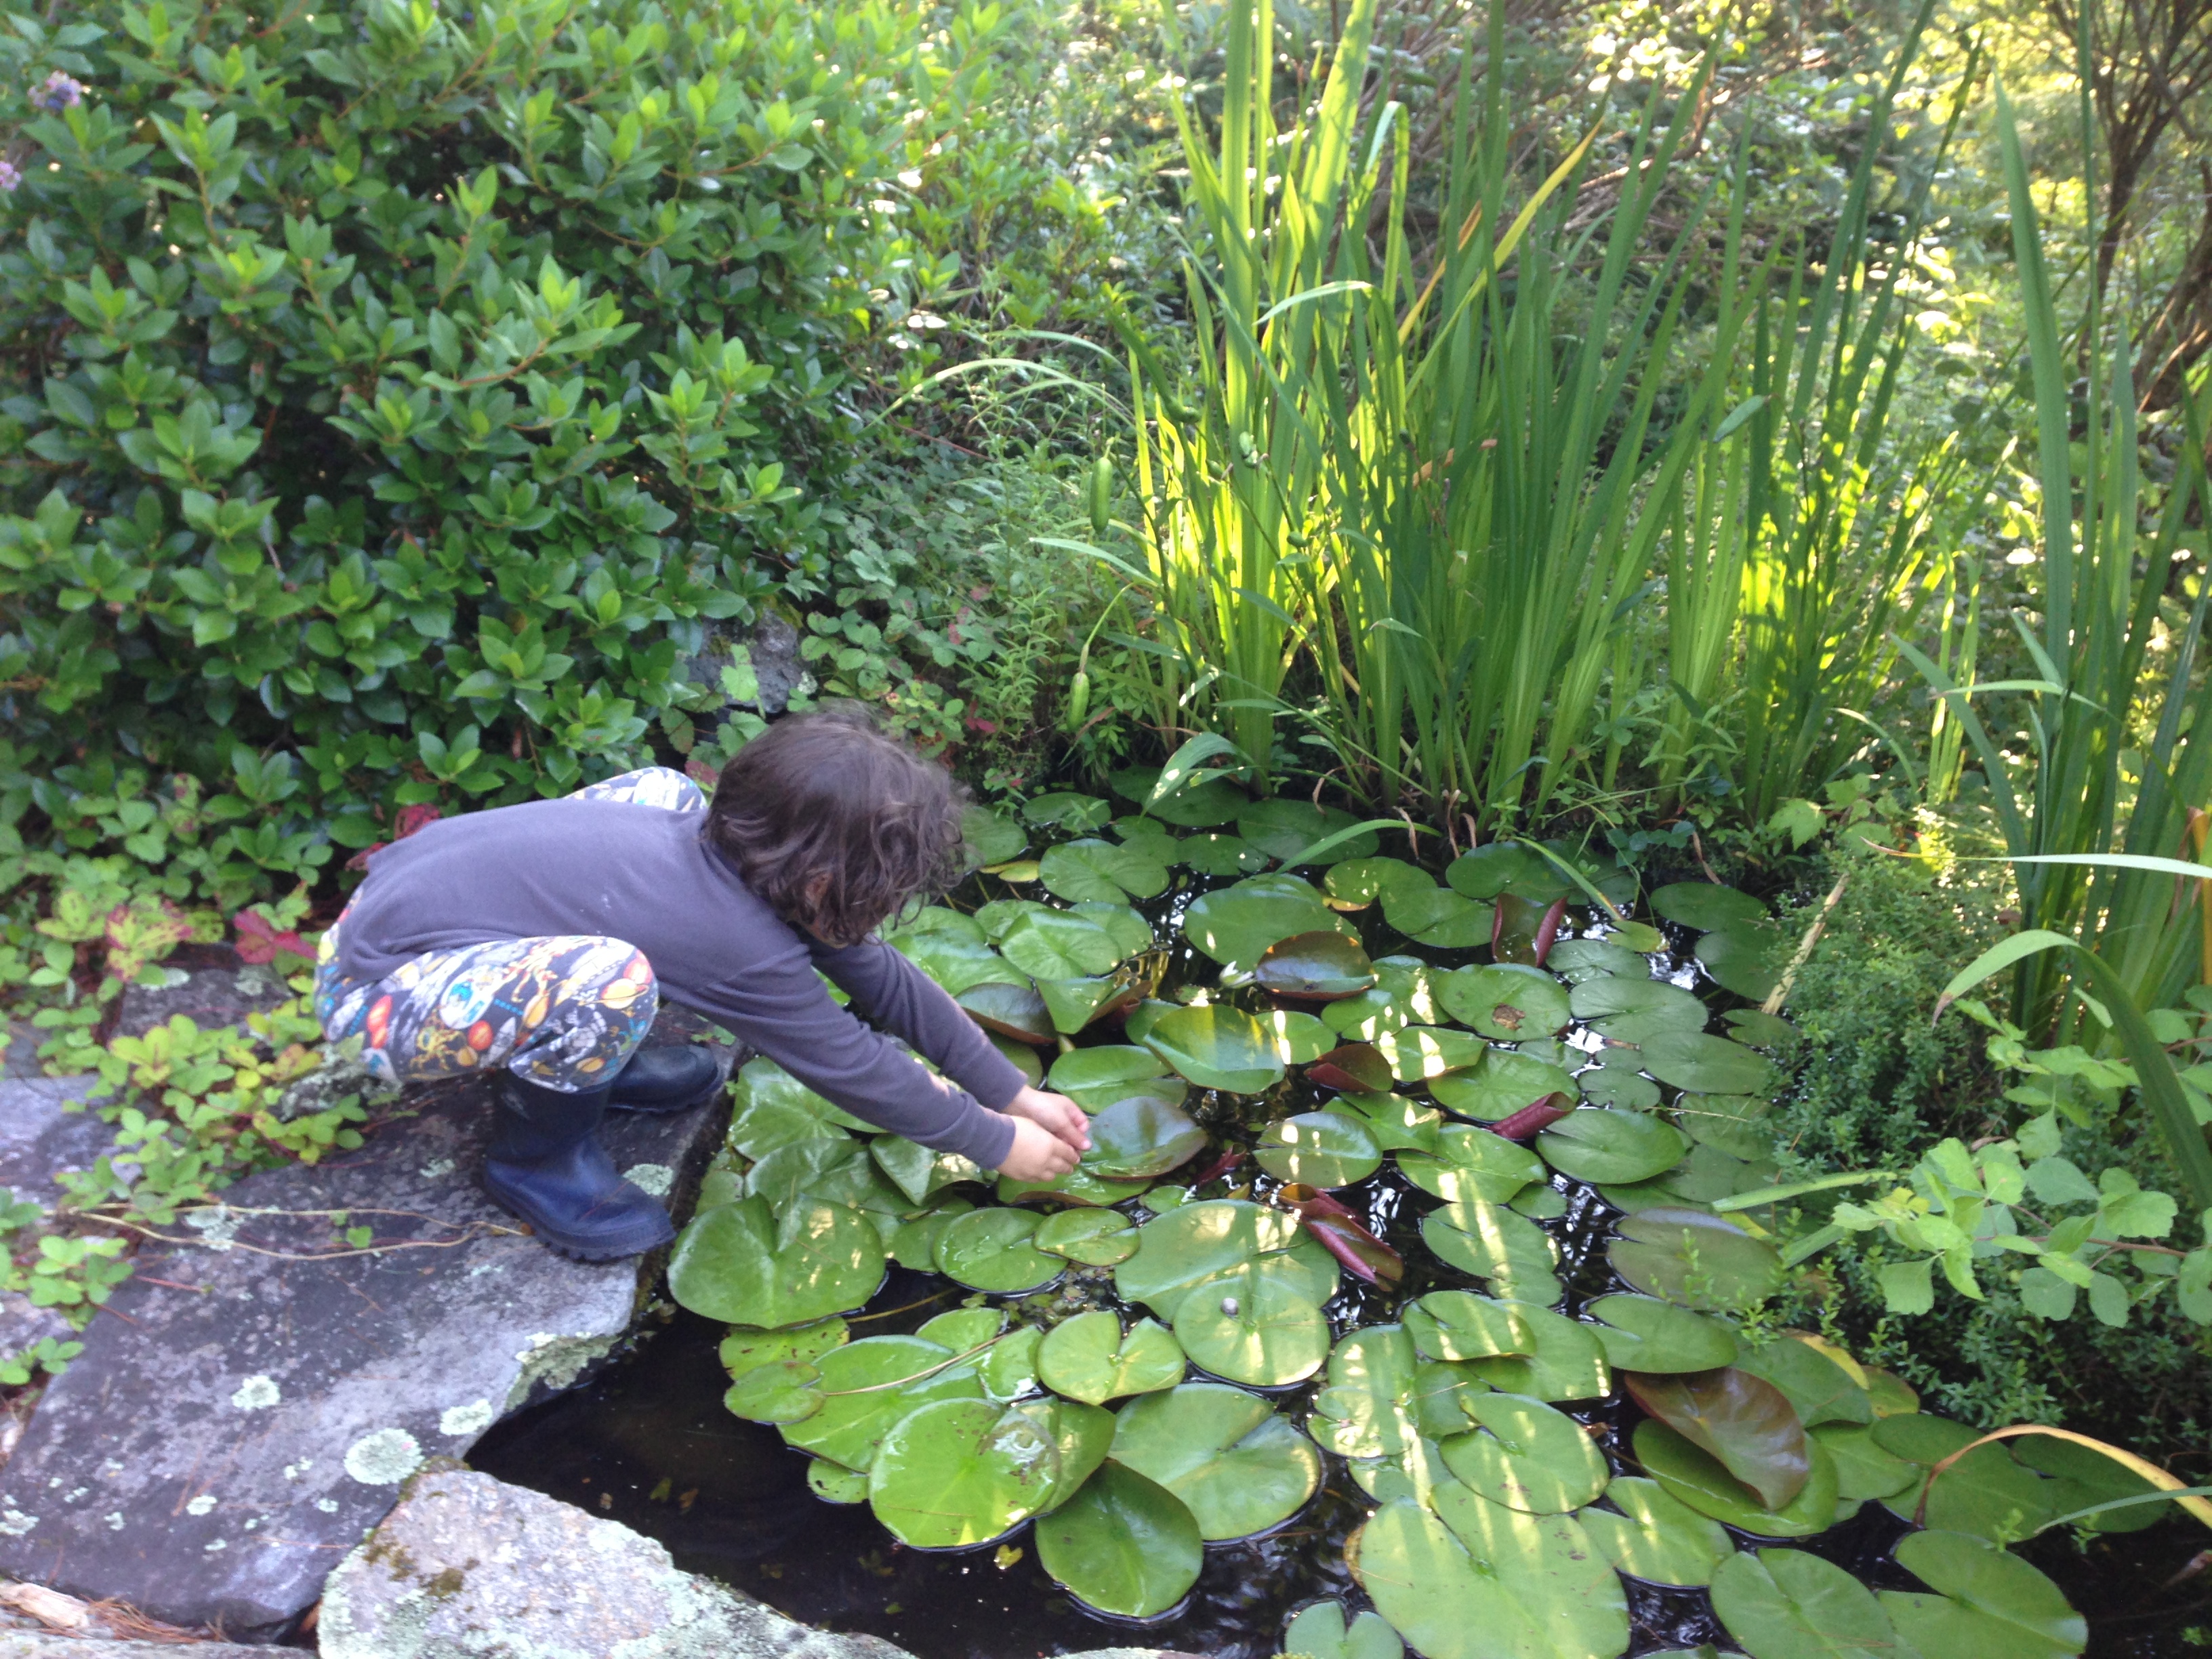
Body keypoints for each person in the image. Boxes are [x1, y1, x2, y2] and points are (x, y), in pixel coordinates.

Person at [312, 706, 1092, 1261]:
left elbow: (881, 977)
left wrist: (1011, 1093)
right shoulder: (738, 943)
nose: (885, 905)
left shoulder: (737, 853)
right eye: (879, 887)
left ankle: (585, 1061)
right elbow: (850, 1062)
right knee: (610, 982)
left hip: (410, 919)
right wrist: (994, 1144)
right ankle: (535, 1161)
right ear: (820, 881)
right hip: (377, 993)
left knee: (665, 789)